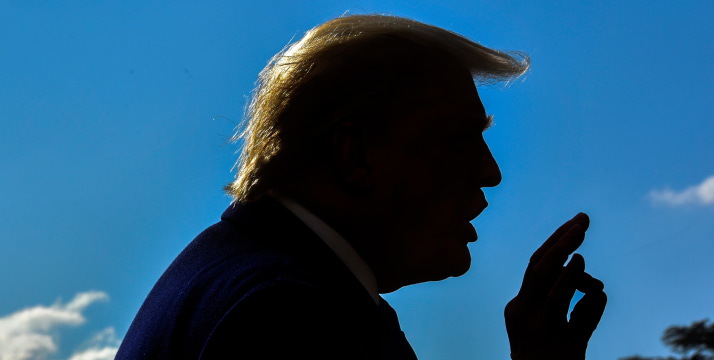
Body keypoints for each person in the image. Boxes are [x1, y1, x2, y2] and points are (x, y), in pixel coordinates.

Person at [116, 14, 607, 360]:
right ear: (355, 154)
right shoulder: (287, 313)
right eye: (459, 140)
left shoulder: (268, 283)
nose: (490, 172)